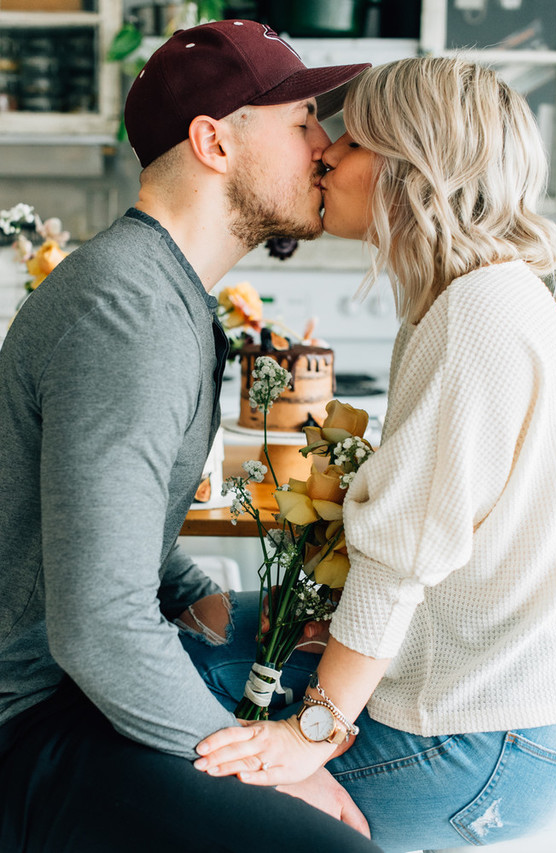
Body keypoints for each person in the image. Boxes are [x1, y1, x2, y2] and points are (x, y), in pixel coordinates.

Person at [0, 20, 378, 853]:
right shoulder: (128, 315)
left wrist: (191, 590)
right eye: (303, 120)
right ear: (214, 142)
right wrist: (277, 766)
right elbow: (98, 624)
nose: (324, 147)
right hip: (27, 719)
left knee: (315, 643)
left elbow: (106, 514)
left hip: (63, 679)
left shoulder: (163, 296)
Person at [189, 56, 556, 852]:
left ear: (411, 164)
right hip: (485, 700)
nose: (324, 151)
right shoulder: (467, 299)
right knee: (196, 642)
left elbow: (402, 560)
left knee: (185, 754)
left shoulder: (478, 317)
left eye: (352, 138)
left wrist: (311, 739)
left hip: (476, 738)